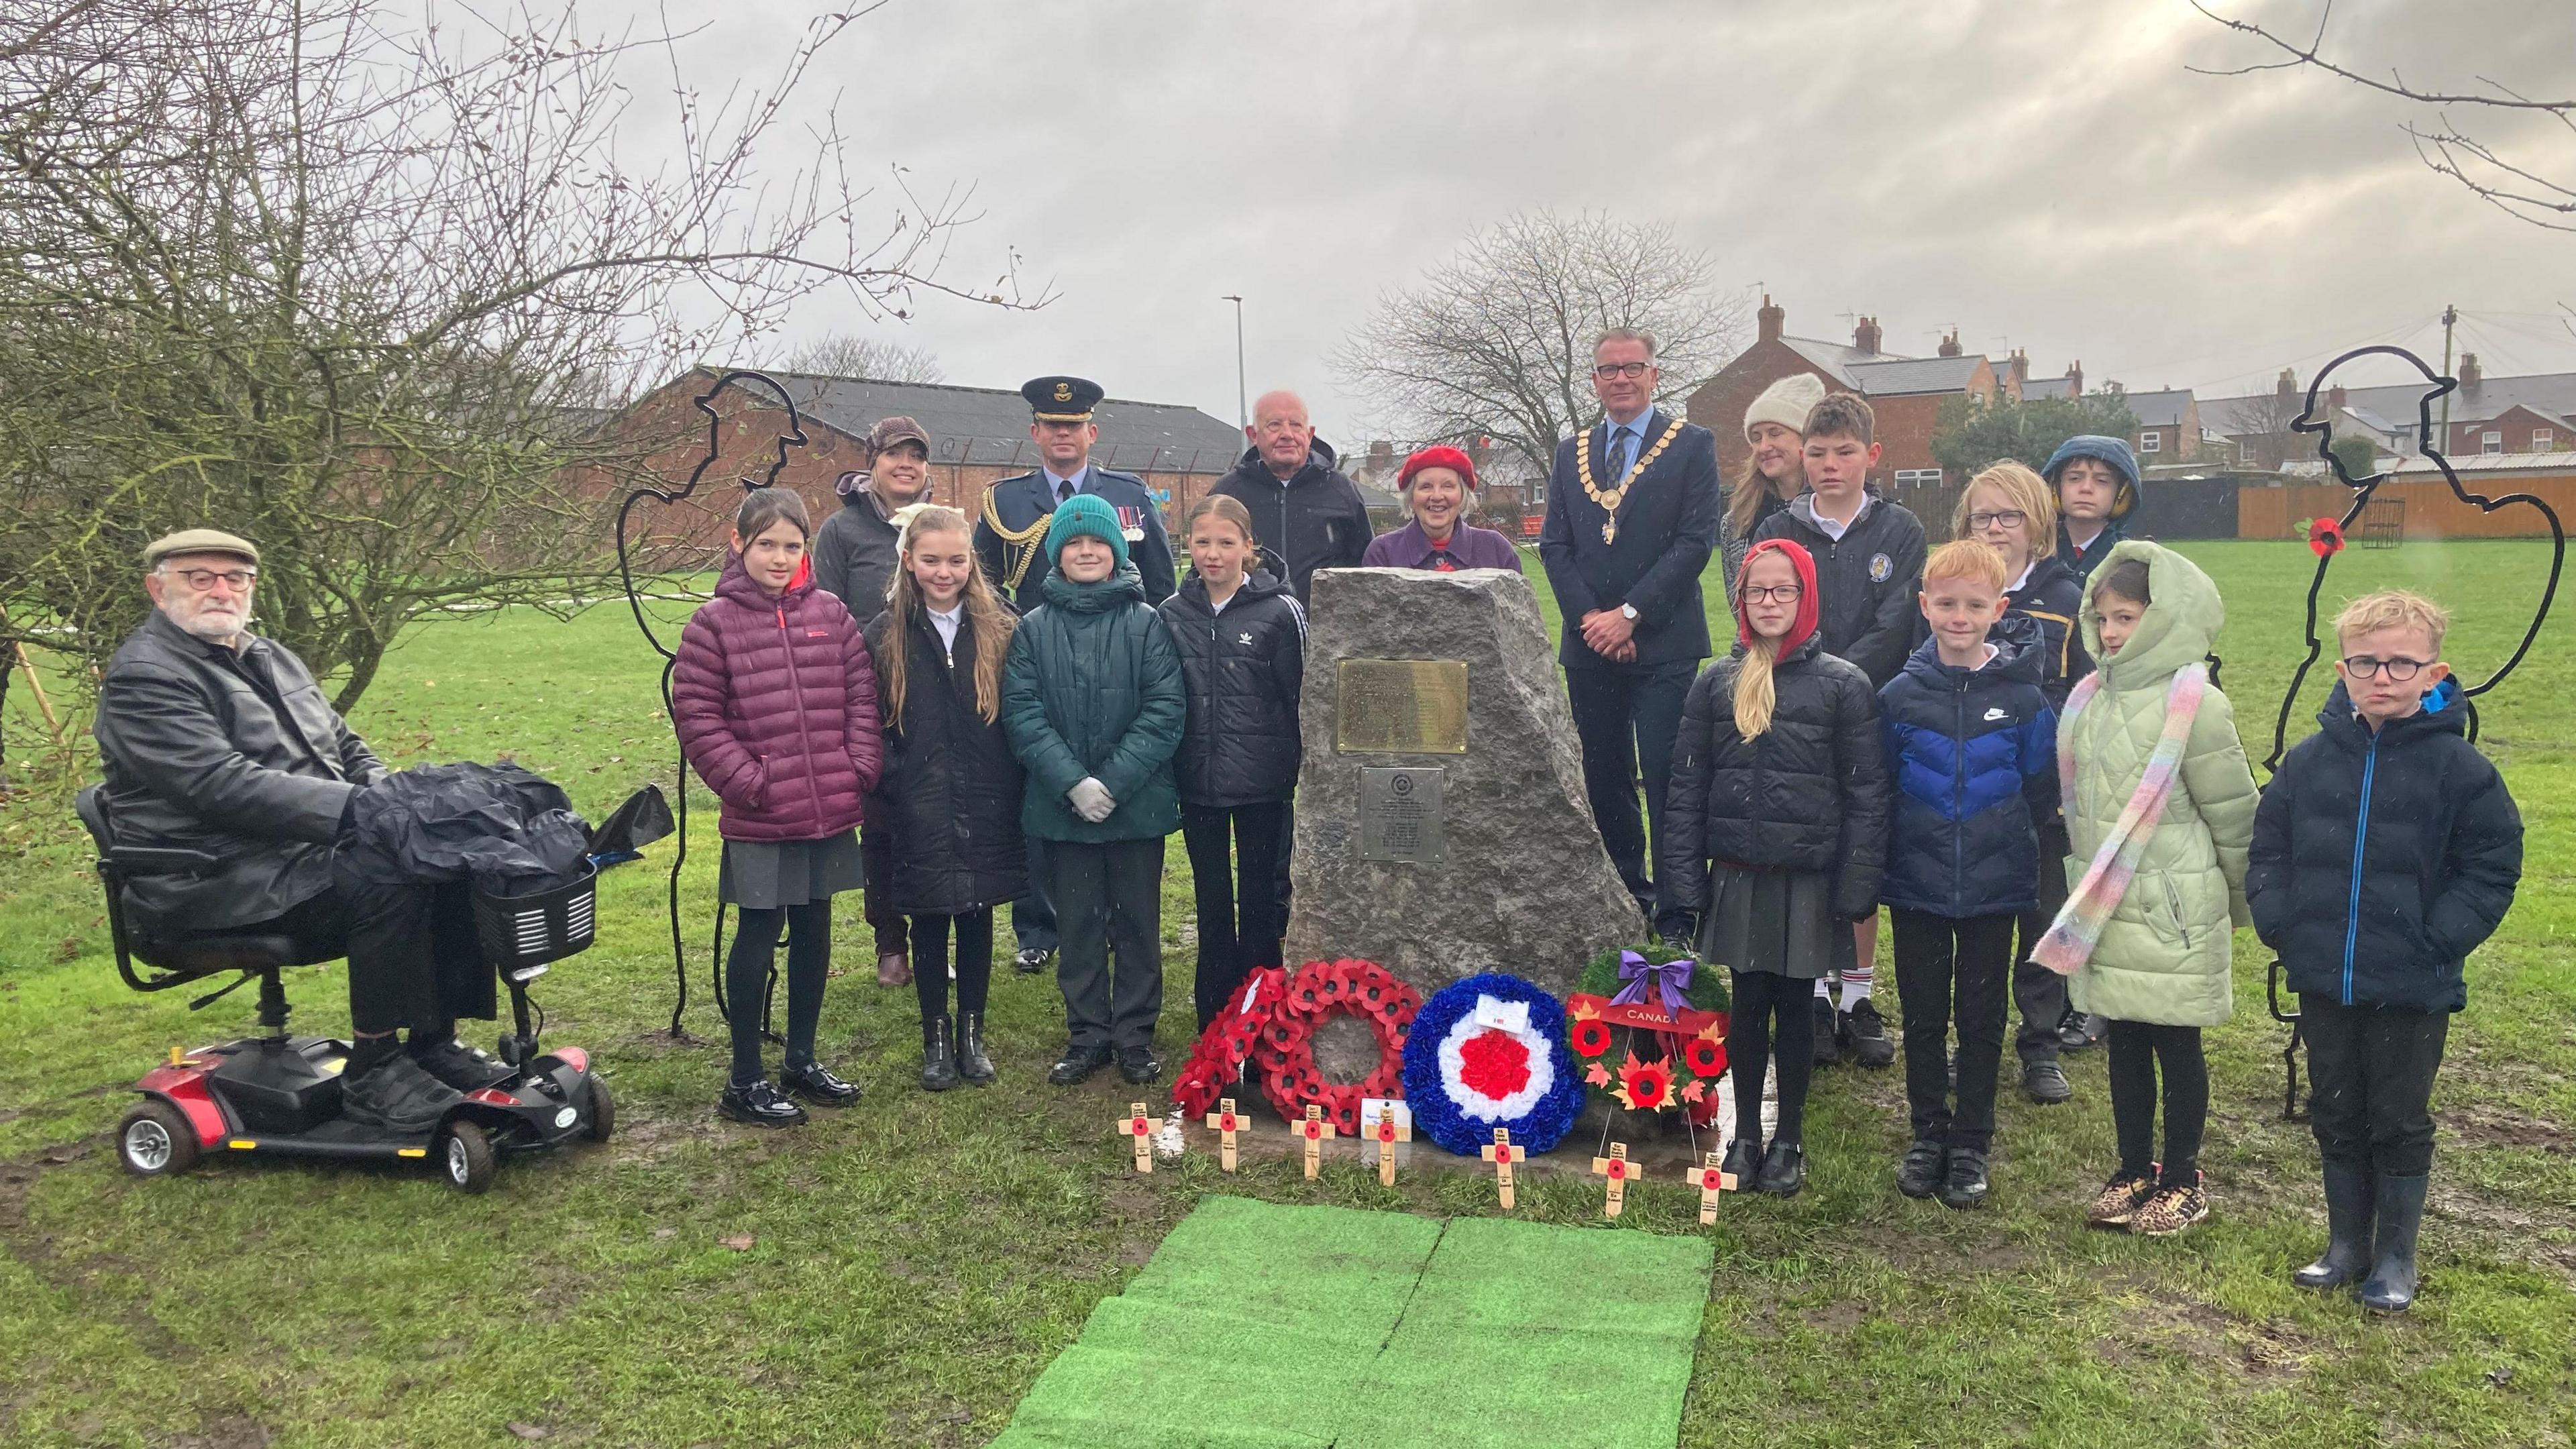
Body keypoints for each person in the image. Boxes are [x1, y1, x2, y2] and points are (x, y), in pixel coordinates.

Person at [93, 529, 500, 1132]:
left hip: (299, 854)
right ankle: (375, 1067)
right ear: (158, 589)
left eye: (235, 578)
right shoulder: (144, 679)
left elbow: (344, 744)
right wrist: (364, 813)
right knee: (388, 873)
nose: (219, 590)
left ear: (252, 588)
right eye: (197, 577)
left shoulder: (270, 656)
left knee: (441, 852)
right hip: (210, 875)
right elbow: (220, 784)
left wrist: (394, 801)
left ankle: (432, 1043)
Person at [2249, 590, 2522, 1313]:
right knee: (2335, 1107)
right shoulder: (2308, 765)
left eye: (2403, 663)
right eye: (2367, 662)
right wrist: (2283, 922)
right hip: (2325, 975)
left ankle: (2396, 1256)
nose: (2383, 676)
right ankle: (2346, 1245)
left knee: (2398, 1118)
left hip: (2412, 982)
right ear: (2342, 669)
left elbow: (2492, 864)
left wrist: (2440, 936)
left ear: (2435, 674)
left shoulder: (2462, 772)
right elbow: (2269, 850)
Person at [1660, 538, 1888, 1199]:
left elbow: (1867, 796)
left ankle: (1789, 1137)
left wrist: (1855, 888)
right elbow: (1685, 791)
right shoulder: (1715, 683)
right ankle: (1745, 1139)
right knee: (1748, 1002)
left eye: (1783, 590)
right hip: (1738, 873)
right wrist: (1686, 884)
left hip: (1807, 880)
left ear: (1805, 597)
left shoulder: (1844, 685)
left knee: (1795, 1005)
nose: (1769, 602)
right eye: (1757, 591)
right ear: (1742, 599)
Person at [2047, 543, 2257, 1236]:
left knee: (2176, 1041)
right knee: (2126, 1038)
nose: (2110, 633)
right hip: (2112, 904)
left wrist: (2241, 902)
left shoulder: (2197, 705)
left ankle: (2182, 1176)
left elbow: (2232, 811)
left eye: (2127, 617)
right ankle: (2133, 1167)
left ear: (2165, 618)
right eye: (2102, 618)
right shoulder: (2089, 699)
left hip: (2175, 905)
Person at [673, 489, 883, 1126]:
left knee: (815, 930)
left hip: (825, 808)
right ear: (740, 544)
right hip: (762, 812)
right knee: (759, 934)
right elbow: (699, 718)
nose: (780, 558)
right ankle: (744, 1079)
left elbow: (860, 701)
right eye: (768, 544)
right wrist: (749, 782)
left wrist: (857, 767)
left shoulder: (833, 615)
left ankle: (801, 1058)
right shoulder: (713, 625)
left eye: (792, 546)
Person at [973, 376, 1177, 977]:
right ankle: (1038, 927)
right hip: (1038, 660)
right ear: (1035, 433)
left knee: (1116, 792)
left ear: (1092, 432)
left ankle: (1112, 924)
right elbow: (983, 586)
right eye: (1051, 425)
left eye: (1074, 425)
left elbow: (1161, 585)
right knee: (1043, 795)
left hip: (1122, 661)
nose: (1063, 435)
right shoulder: (1004, 502)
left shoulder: (1131, 497)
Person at [1878, 540, 2059, 1210]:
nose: (1960, 616)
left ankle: (1973, 1141)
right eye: (1947, 604)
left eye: (1975, 605)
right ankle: (1928, 1135)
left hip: (1995, 886)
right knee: (1924, 1017)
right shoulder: (1897, 697)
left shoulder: (2024, 700)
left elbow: (2042, 789)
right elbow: (1882, 784)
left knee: (1981, 1019)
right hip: (1918, 883)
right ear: (1925, 607)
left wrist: (2016, 852)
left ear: (1998, 609)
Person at [1750, 391, 1925, 1071]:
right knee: (1811, 846)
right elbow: (1772, 609)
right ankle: (1817, 995)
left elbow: (1897, 624)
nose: (1830, 465)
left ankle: (1858, 996)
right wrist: (1812, 687)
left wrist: (1842, 683)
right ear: (1802, 455)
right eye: (1817, 453)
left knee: (1861, 848)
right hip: (1798, 713)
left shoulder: (1900, 530)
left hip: (1873, 709)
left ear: (1871, 456)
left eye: (1844, 452)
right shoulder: (1780, 525)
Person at [1538, 327, 1722, 942]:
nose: (1620, 379)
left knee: (1668, 774)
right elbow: (1555, 545)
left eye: (1632, 368)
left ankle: (1675, 909)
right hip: (1591, 646)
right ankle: (1624, 892)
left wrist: (1632, 615)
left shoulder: (1693, 444)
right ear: (1592, 380)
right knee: (1605, 772)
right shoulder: (1572, 451)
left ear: (1654, 374)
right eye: (1607, 370)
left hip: (1664, 642)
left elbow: (1697, 541)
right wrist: (1594, 622)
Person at [1001, 494, 1186, 1087]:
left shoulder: (1147, 623)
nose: (1086, 551)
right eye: (1075, 543)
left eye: (1097, 543)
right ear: (1058, 553)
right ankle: (1087, 1034)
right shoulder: (1032, 629)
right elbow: (1023, 712)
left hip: (1135, 806)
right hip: (1064, 810)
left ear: (1115, 551)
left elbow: (1164, 709)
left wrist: (1112, 781)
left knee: (1136, 922)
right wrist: (1073, 783)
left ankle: (1134, 1034)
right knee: (1077, 925)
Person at [865, 503, 1028, 1091]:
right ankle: (934, 1037)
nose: (944, 572)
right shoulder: (883, 635)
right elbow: (866, 721)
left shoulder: (1000, 627)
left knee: (978, 915)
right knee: (931, 918)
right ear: (909, 561)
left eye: (956, 560)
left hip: (985, 795)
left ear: (971, 562)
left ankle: (972, 1034)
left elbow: (1018, 711)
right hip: (918, 800)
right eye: (931, 560)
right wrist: (894, 777)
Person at [1955, 462, 2098, 1100]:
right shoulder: (1946, 588)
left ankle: (2041, 1044)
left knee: (2044, 919)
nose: (1993, 529)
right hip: (1971, 788)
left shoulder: (2070, 600)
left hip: (2042, 790)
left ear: (2037, 526)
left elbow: (2089, 689)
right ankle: (1973, 1039)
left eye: (2007, 517)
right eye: (1982, 516)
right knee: (1977, 923)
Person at [1159, 495, 1305, 1030]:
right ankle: (1214, 1018)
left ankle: (1263, 1017)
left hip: (1264, 785)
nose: (1213, 554)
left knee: (1261, 904)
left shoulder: (1280, 611)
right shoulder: (1172, 614)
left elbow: (1302, 698)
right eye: (1202, 542)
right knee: (1212, 902)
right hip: (1198, 783)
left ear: (1250, 548)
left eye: (1226, 543)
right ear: (1188, 546)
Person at [816, 414, 938, 991]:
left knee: (936, 819)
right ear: (873, 463)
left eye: (916, 455)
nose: (906, 465)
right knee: (883, 827)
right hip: (870, 698)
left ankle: (938, 934)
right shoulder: (842, 532)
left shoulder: (941, 525)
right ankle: (891, 941)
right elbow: (826, 617)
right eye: (895, 455)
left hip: (937, 695)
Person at [1208, 389, 1372, 606]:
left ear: (1310, 433)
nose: (1287, 434)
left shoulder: (1340, 489)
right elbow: (1203, 566)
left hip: (1325, 630)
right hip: (1249, 631)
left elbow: (1367, 566)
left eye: (1296, 425)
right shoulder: (1229, 492)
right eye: (1274, 425)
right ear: (1253, 435)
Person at [1723, 374, 1823, 590]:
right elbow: (1739, 603)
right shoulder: (1738, 521)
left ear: (1806, 439)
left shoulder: (1834, 512)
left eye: (1775, 434)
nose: (1764, 446)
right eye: (1757, 438)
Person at [1360, 445, 1522, 572]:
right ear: (1411, 499)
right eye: (1426, 487)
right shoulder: (1383, 553)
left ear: (1462, 496)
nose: (1437, 496)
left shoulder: (1496, 549)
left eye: (1448, 486)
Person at [2042, 434, 2143, 584]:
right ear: (2055, 487)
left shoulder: (2133, 562)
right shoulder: (2030, 553)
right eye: (2075, 478)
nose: (2086, 489)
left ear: (2123, 494)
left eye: (2102, 481)